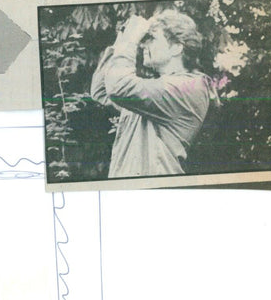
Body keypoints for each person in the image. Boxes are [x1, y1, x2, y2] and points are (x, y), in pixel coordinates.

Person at [91, 10, 219, 178]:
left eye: (151, 38)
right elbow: (101, 90)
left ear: (176, 47)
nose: (143, 45)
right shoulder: (155, 89)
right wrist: (122, 39)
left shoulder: (190, 87)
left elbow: (117, 87)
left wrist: (131, 40)